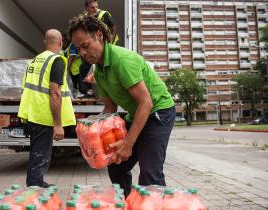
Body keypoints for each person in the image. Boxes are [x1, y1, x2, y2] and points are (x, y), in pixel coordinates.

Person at [69, 16, 175, 197]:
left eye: (85, 46)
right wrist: (92, 132)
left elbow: (146, 102)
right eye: (79, 49)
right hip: (138, 114)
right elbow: (110, 109)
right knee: (116, 163)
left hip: (159, 112)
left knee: (150, 172)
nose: (83, 53)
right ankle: (125, 203)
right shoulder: (99, 70)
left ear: (99, 35)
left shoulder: (122, 60)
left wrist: (128, 142)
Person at [18, 29, 76, 188]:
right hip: (43, 114)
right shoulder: (56, 60)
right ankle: (34, 187)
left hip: (31, 112)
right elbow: (55, 92)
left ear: (45, 42)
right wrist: (58, 123)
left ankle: (36, 182)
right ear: (61, 43)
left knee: (37, 151)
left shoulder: (35, 60)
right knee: (41, 153)